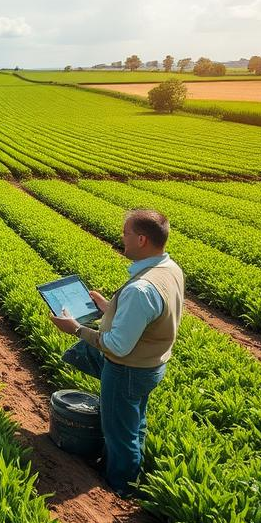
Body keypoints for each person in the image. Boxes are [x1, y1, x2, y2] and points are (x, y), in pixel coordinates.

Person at [49, 208, 184, 496]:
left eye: (126, 233)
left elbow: (117, 346)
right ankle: (129, 472)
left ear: (142, 240)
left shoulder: (141, 289)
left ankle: (120, 486)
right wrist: (109, 308)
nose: (121, 237)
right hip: (151, 365)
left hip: (126, 370)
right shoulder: (170, 269)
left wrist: (76, 329)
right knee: (134, 423)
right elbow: (148, 316)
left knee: (119, 433)